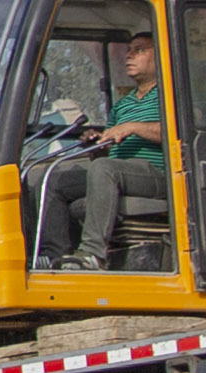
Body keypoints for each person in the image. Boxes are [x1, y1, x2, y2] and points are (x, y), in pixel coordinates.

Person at [42, 60, 166, 268]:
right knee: (54, 180)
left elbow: (178, 131)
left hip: (159, 174)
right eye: (129, 51)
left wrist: (131, 127)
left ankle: (92, 254)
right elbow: (110, 149)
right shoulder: (123, 104)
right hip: (120, 171)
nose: (129, 57)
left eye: (139, 50)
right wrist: (98, 145)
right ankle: (55, 256)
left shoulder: (170, 95)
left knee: (104, 168)